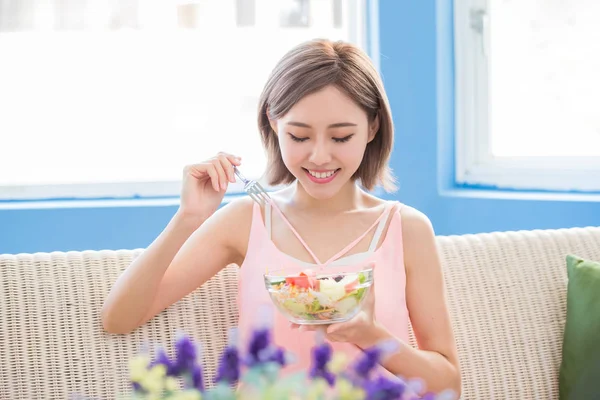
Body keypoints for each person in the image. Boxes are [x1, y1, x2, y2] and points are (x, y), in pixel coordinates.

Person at [101, 38, 461, 396]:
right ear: (274, 124)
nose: (320, 156)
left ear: (372, 128)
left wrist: (371, 336)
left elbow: (449, 385)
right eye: (299, 136)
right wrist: (188, 218)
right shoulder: (247, 219)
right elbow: (118, 319)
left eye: (341, 137)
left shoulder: (406, 229)